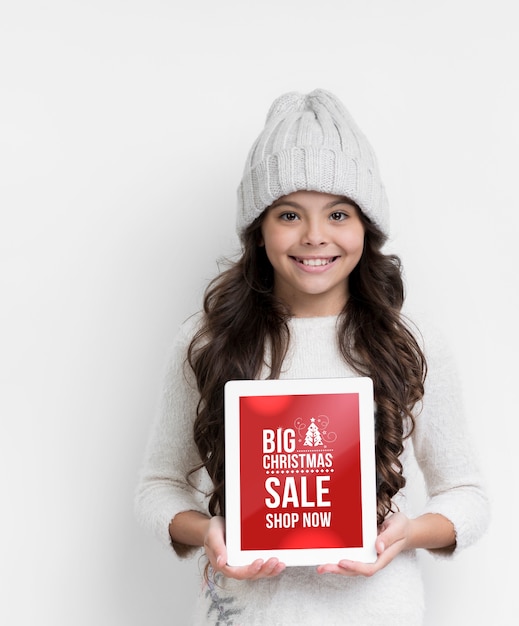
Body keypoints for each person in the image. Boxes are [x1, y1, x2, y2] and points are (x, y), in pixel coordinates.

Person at [135, 89, 489, 625]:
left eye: (339, 213)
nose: (315, 237)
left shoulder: (409, 343)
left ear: (365, 227)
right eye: (290, 214)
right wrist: (207, 531)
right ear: (260, 229)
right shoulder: (208, 341)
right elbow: (157, 487)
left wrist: (409, 532)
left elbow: (467, 494)